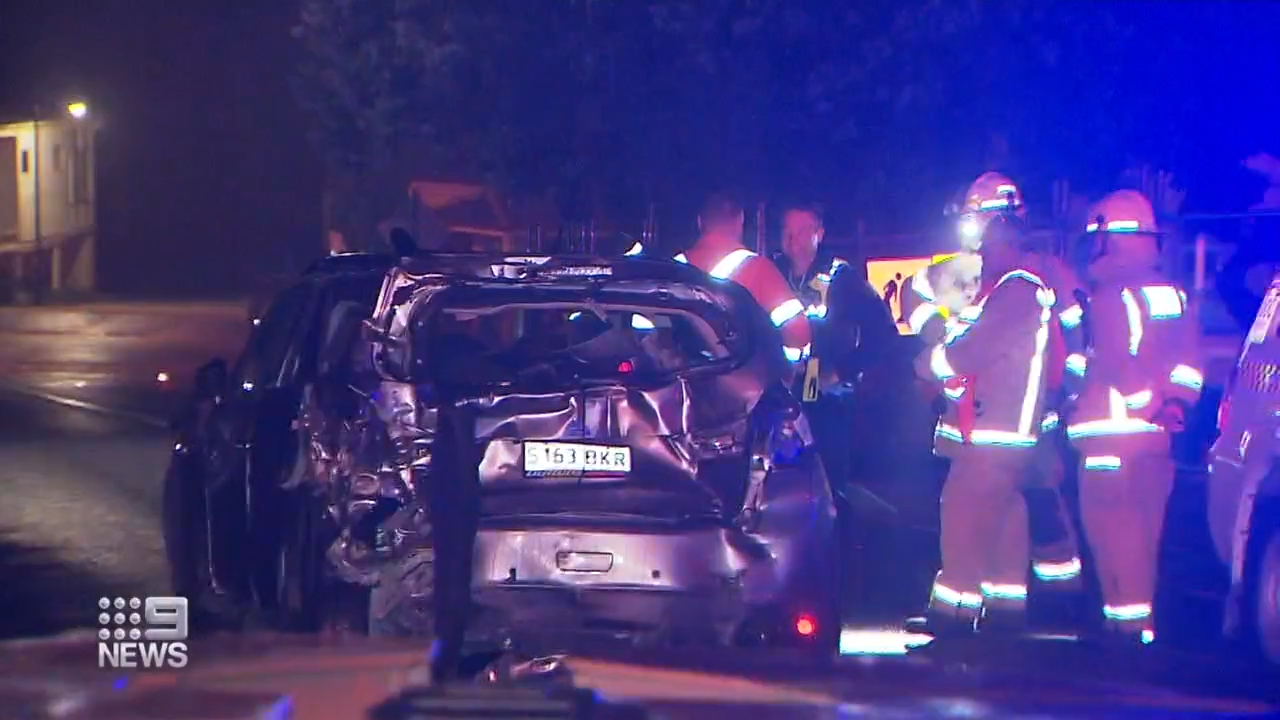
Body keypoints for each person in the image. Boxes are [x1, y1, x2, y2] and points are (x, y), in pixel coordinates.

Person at [908, 173, 1086, 594]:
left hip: (1030, 414)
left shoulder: (1041, 274)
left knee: (1038, 505)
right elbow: (914, 293)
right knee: (1003, 510)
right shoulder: (964, 271)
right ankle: (1015, 601)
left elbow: (1077, 341)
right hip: (980, 414)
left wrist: (1063, 397)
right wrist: (939, 334)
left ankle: (1061, 596)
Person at [1064, 189, 1204, 647]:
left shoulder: (1109, 294)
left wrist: (1077, 397)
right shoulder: (1173, 294)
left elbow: (1109, 361)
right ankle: (1139, 626)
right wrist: (1172, 403)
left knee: (1110, 529)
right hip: (1156, 436)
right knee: (1145, 529)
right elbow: (1188, 360)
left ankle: (1123, 628)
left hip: (1110, 436)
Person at [914, 213, 1057, 635]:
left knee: (962, 520)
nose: (982, 255)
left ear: (1008, 245)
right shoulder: (1011, 292)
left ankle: (951, 619)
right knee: (1005, 519)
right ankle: (1005, 614)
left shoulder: (1017, 291)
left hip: (992, 436)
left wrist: (929, 364)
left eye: (989, 245)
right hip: (1002, 437)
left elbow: (972, 351)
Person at [678, 194, 812, 367]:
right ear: (740, 220)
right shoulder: (758, 270)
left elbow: (647, 331)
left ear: (700, 222)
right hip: (740, 385)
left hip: (683, 385)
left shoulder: (675, 268)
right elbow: (799, 335)